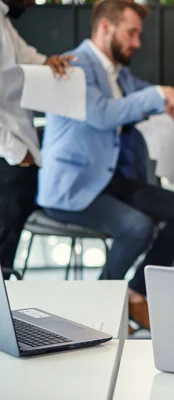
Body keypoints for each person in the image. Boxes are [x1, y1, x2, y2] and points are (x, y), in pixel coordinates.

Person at [37, 0, 174, 330]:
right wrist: (161, 93)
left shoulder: (119, 74)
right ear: (105, 27)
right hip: (73, 187)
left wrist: (173, 97)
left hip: (113, 182)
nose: (137, 43)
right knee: (136, 227)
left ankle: (134, 295)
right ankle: (99, 309)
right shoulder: (73, 67)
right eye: (132, 33)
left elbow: (144, 97)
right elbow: (102, 114)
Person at [0, 0, 75, 280]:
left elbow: (23, 56)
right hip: (8, 156)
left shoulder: (4, 21)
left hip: (16, 155)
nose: (34, 3)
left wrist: (47, 62)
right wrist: (16, 151)